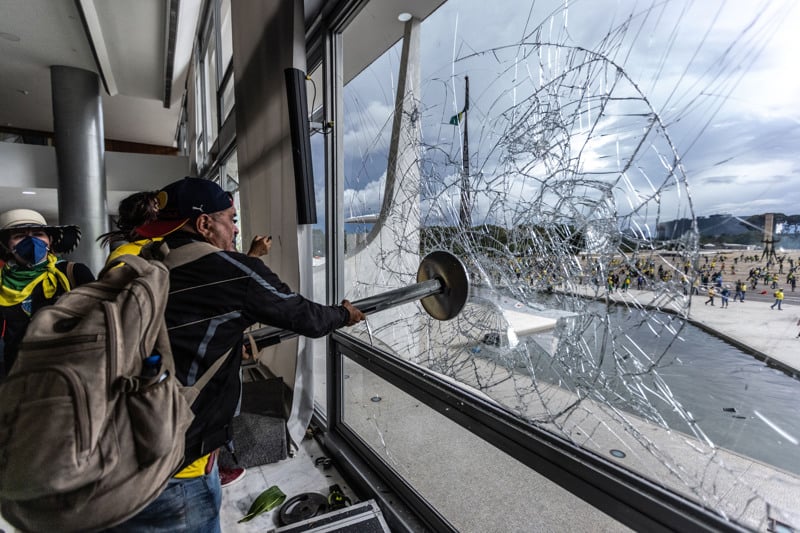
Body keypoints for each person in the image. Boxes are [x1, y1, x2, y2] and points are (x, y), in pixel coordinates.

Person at [108, 177, 365, 532]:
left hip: (120, 453)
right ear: (204, 224)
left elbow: (179, 333)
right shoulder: (230, 271)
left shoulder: (142, 264)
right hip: (175, 468)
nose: (235, 227)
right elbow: (306, 316)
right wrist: (343, 314)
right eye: (230, 217)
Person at [0, 209, 94, 376]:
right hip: (11, 374)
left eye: (38, 234)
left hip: (64, 373)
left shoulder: (73, 273)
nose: (31, 240)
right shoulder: (2, 281)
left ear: (50, 241)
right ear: (7, 245)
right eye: (19, 236)